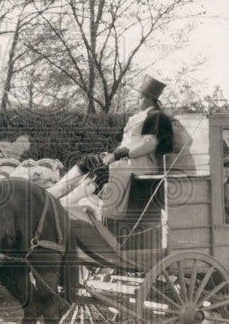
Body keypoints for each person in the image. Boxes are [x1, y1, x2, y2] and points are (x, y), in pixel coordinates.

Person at [49, 75, 174, 220]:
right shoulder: (140, 116)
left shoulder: (156, 116)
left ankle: (66, 202)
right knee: (90, 160)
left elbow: (149, 144)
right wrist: (111, 154)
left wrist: (117, 155)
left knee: (103, 171)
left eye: (139, 98)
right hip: (127, 158)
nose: (137, 101)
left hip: (141, 162)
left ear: (148, 98)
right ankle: (54, 191)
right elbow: (126, 142)